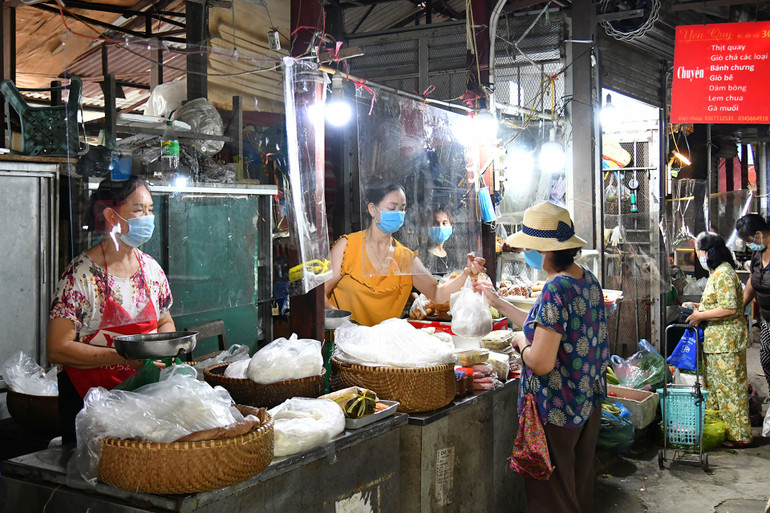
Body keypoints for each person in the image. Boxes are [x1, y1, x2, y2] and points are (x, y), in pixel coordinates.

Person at [474, 201, 609, 513]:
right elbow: (547, 327)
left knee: (552, 499)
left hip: (557, 409)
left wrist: (521, 343)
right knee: (576, 489)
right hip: (585, 404)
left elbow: (541, 361)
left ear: (546, 250)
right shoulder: (585, 279)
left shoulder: (555, 289)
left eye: (530, 247)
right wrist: (498, 302)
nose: (527, 252)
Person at [47, 176, 175, 443]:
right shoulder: (81, 276)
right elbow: (57, 348)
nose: (148, 218)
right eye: (139, 210)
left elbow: (165, 321)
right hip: (90, 408)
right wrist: (124, 357)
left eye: (150, 210)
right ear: (111, 216)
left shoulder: (151, 269)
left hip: (143, 404)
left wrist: (162, 349)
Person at [325, 182, 486, 326]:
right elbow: (320, 294)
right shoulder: (347, 246)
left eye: (402, 209)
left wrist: (466, 273)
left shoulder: (406, 257)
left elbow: (437, 294)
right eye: (392, 208)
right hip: (343, 340)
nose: (398, 213)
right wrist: (341, 324)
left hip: (383, 344)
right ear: (372, 209)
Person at [685, 232, 752, 447]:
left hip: (726, 343)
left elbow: (730, 308)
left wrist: (700, 316)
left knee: (731, 390)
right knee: (717, 390)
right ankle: (722, 431)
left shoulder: (724, 274)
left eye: (699, 252)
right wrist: (697, 307)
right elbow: (717, 303)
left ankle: (739, 436)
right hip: (717, 343)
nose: (698, 256)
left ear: (708, 252)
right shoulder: (717, 273)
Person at [735, 213, 770, 396]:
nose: (749, 245)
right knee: (766, 359)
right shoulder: (758, 253)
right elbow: (752, 282)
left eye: (749, 241)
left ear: (759, 234)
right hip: (767, 320)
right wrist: (739, 307)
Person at [423, 207, 461, 276]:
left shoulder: (450, 255)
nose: (440, 227)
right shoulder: (423, 257)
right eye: (435, 223)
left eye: (444, 223)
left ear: (451, 226)